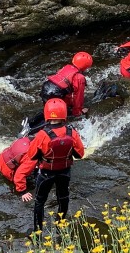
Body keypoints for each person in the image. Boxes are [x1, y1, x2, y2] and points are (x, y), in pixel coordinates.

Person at [14, 98, 85, 233]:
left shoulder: (42, 135)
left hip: (46, 173)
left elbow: (32, 155)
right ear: (64, 114)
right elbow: (80, 154)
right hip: (65, 171)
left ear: (47, 114)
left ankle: (38, 231)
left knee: (40, 201)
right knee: (63, 198)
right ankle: (60, 226)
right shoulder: (72, 132)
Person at [40, 51, 93, 118]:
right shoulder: (80, 78)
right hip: (56, 92)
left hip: (46, 87)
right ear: (86, 67)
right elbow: (78, 97)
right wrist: (78, 112)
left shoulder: (66, 67)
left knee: (48, 111)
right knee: (58, 115)